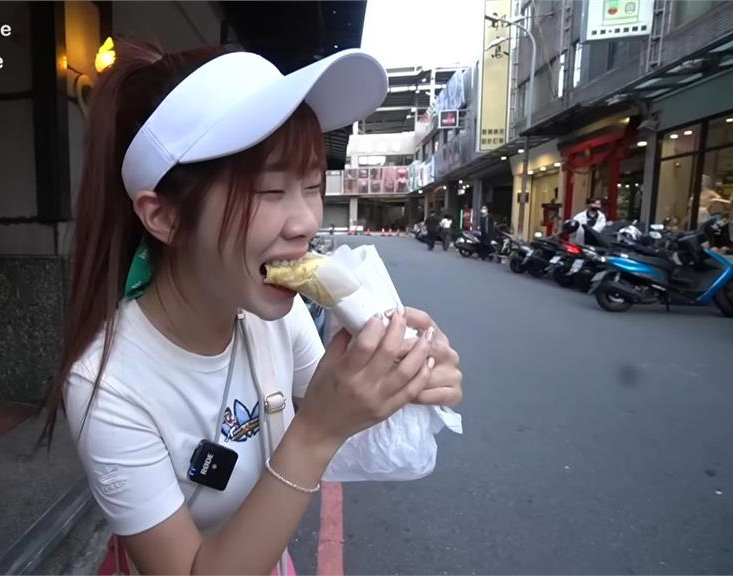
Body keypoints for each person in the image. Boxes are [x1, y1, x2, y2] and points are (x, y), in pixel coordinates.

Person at [41, 41, 463, 575]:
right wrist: (314, 433)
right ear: (165, 218)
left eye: (312, 186)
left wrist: (403, 383)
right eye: (269, 190)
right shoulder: (108, 388)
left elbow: (356, 427)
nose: (306, 222)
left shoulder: (278, 316)